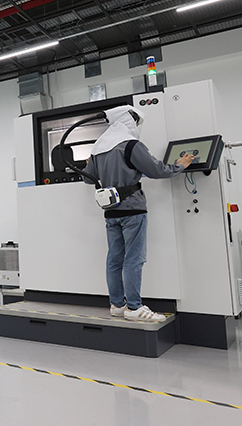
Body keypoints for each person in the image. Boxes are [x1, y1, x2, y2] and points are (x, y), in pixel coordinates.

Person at [82, 106, 194, 322]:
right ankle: (133, 307)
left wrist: (89, 164)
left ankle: (117, 304)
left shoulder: (99, 148)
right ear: (129, 121)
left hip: (111, 212)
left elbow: (88, 178)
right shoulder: (130, 145)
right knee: (134, 258)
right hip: (133, 210)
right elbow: (156, 170)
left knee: (115, 259)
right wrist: (179, 165)